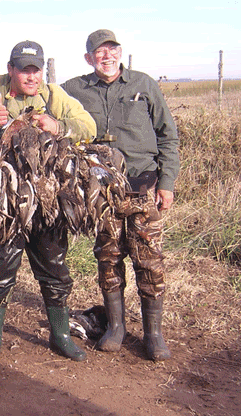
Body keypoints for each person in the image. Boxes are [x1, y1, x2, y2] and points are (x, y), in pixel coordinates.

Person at [0, 40, 97, 364]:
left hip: (47, 201)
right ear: (11, 70)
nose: (31, 76)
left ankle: (60, 334)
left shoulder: (52, 96)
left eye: (36, 70)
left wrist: (60, 126)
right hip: (5, 203)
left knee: (54, 268)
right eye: (24, 70)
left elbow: (89, 125)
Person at [62, 29, 180, 361]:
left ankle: (153, 334)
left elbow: (168, 136)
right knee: (108, 259)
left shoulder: (144, 85)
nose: (107, 56)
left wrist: (167, 183)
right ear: (89, 58)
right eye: (99, 52)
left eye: (112, 50)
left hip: (144, 190)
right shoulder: (74, 90)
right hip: (102, 194)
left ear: (120, 52)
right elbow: (40, 96)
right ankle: (116, 327)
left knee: (150, 262)